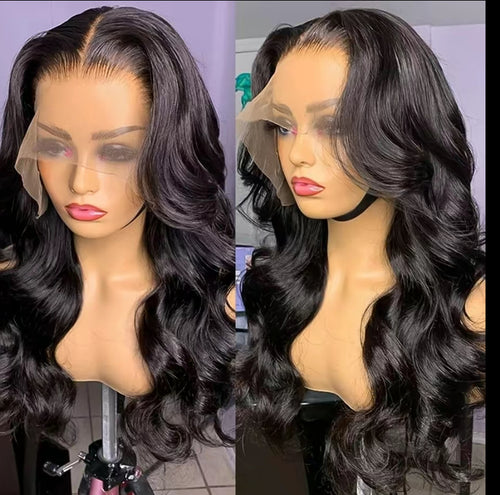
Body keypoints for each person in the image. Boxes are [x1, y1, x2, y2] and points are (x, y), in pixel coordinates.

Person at [235, 8, 485, 494]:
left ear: (402, 130)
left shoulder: (470, 307)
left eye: (331, 124)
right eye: (283, 126)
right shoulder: (279, 285)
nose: (297, 154)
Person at [0, 5, 235, 463]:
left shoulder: (220, 296)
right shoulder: (13, 280)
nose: (81, 183)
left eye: (117, 150)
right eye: (54, 146)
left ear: (169, 152)